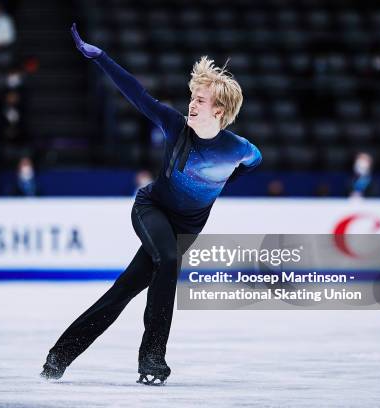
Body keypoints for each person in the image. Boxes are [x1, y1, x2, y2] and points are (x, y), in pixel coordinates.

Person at [40, 24, 262, 386]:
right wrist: (102, 58)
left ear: (219, 110)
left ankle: (59, 356)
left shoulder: (238, 149)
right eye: (192, 96)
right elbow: (137, 94)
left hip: (186, 228)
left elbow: (255, 162)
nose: (192, 103)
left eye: (201, 100)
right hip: (151, 209)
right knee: (169, 260)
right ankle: (153, 357)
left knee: (124, 289)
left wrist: (222, 181)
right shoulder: (176, 126)